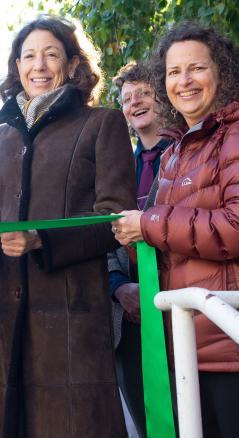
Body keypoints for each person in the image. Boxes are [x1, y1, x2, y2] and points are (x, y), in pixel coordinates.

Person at [0, 17, 135, 437]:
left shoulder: (101, 124)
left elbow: (115, 219)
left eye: (51, 54)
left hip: (73, 322)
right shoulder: (0, 139)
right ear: (16, 66)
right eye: (29, 56)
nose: (39, 65)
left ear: (73, 64)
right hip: (8, 321)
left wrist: (41, 238)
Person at [113, 22, 239, 437]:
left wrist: (147, 225)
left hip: (229, 347)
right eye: (172, 71)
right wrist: (133, 241)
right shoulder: (175, 152)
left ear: (221, 72)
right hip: (183, 347)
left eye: (196, 68)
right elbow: (170, 246)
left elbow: (235, 226)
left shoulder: (235, 135)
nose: (183, 81)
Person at [107, 61, 171, 437]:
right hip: (130, 317)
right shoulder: (115, 168)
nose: (136, 102)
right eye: (127, 98)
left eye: (144, 92)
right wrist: (118, 285)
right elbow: (104, 232)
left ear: (161, 96)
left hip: (181, 305)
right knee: (146, 422)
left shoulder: (186, 153)